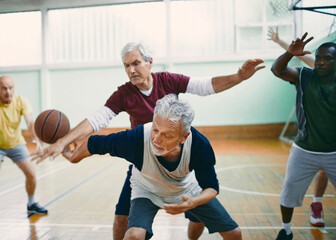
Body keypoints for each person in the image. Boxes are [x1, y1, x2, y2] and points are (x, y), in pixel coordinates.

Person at [32, 42, 264, 240]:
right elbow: (98, 119)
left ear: (150, 62)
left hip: (178, 160)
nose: (131, 70)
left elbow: (206, 86)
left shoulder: (168, 81)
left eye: (135, 63)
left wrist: (239, 77)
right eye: (126, 65)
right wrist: (62, 141)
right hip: (144, 160)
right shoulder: (124, 94)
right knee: (122, 218)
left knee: (197, 217)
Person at [62, 94, 242, 240]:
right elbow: (95, 143)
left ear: (183, 137)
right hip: (147, 190)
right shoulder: (136, 139)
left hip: (187, 190)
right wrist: (73, 158)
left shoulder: (199, 145)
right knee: (133, 235)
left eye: (167, 135)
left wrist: (193, 202)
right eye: (155, 129)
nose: (156, 139)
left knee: (235, 234)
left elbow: (212, 188)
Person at [271, 33, 336, 240]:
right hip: (304, 151)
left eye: (327, 58)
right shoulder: (304, 76)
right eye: (318, 57)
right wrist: (289, 53)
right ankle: (286, 230)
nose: (321, 62)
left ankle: (315, 205)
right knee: (288, 191)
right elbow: (277, 70)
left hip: (334, 152)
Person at [0, 75, 48, 234]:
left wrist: (36, 138)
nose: (8, 92)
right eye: (4, 88)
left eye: (10, 88)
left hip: (16, 144)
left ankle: (31, 205)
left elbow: (30, 122)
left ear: (14, 88)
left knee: (31, 173)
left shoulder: (21, 100)